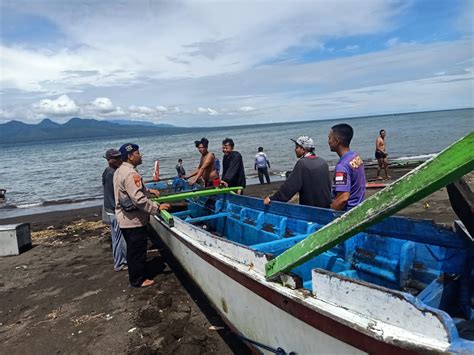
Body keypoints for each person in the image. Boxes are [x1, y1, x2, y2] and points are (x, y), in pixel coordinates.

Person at [114, 143, 170, 288]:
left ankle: (137, 276)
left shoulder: (120, 171)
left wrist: (148, 190)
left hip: (125, 218)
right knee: (137, 250)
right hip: (134, 220)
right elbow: (138, 199)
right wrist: (157, 208)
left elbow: (133, 190)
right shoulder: (131, 174)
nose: (141, 156)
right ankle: (138, 280)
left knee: (133, 250)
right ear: (130, 156)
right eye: (138, 153)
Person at [264, 136, 331, 208]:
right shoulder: (323, 162)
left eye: (296, 147)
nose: (295, 150)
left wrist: (273, 199)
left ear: (303, 149)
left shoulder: (302, 163)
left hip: (311, 209)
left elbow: (290, 187)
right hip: (326, 206)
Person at [328, 124, 366, 211]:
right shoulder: (355, 156)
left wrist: (329, 214)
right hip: (359, 207)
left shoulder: (342, 166)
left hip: (348, 212)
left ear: (337, 141)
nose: (328, 141)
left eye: (330, 138)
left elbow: (343, 198)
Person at [102, 149, 127, 271]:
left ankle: (121, 260)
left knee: (116, 236)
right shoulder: (112, 173)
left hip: (109, 207)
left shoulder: (107, 171)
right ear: (109, 160)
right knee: (118, 237)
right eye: (116, 158)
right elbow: (116, 193)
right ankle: (120, 263)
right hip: (113, 209)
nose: (119, 160)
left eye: (119, 157)